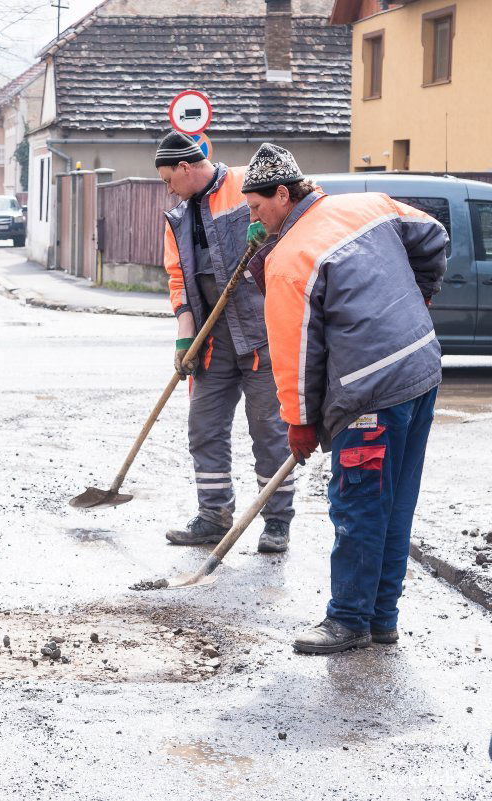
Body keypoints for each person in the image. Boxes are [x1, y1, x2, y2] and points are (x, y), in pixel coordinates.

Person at [240, 143, 448, 654]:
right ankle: (382, 619)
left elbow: (295, 353)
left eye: (256, 208)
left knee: (358, 504)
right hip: (421, 369)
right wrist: (422, 293)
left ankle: (348, 620)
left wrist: (300, 422)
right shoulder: (369, 204)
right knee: (395, 503)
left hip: (370, 393)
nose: (253, 218)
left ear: (282, 194)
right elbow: (434, 235)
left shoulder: (290, 259)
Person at [156, 131, 295, 553]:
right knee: (204, 428)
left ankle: (276, 521)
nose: (168, 188)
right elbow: (178, 279)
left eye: (168, 179)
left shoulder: (246, 182)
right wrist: (185, 337)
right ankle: (213, 516)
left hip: (260, 335)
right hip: (210, 340)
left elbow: (300, 208)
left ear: (185, 168)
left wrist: (270, 235)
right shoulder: (178, 218)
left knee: (269, 431)